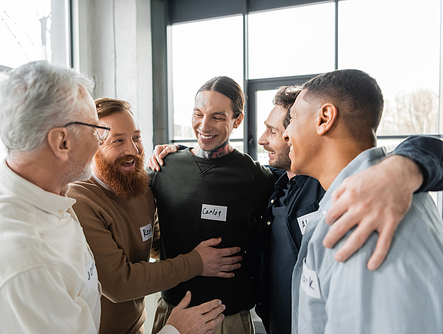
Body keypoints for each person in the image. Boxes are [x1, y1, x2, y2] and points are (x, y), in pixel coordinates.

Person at [0, 61, 227, 334]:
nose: (99, 142)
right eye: (97, 130)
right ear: (62, 142)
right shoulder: (30, 263)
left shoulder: (39, 194)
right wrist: (175, 331)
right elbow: (116, 283)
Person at [150, 85, 443, 334]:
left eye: (278, 129)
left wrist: (404, 166)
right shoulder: (274, 182)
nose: (266, 139)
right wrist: (170, 154)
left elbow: (429, 149)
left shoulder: (347, 187)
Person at [251, 85, 443, 334]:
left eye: (293, 120)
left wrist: (403, 166)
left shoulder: (370, 204)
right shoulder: (274, 182)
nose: (285, 135)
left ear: (325, 119)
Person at [67, 98, 241, 334]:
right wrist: (197, 262)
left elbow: (157, 245)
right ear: (90, 147)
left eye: (136, 137)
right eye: (118, 141)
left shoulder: (138, 186)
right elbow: (119, 283)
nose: (133, 149)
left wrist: (181, 158)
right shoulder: (79, 200)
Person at [149, 76, 276, 334]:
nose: (204, 126)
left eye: (217, 117)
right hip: (172, 316)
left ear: (237, 120)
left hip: (228, 320)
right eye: (198, 114)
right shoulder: (164, 167)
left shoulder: (258, 179)